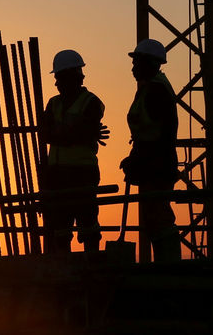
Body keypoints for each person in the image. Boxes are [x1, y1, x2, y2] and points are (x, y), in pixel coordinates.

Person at [40, 49, 108, 253]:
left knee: (87, 221)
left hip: (82, 172)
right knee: (60, 225)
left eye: (60, 78)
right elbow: (46, 135)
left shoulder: (91, 102)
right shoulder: (53, 103)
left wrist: (62, 134)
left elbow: (81, 133)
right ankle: (64, 268)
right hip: (57, 174)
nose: (56, 83)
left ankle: (92, 267)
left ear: (74, 77)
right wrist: (74, 133)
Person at [120, 38, 181, 262]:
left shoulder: (156, 91)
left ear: (151, 63)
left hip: (158, 164)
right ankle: (165, 262)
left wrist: (140, 159)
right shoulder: (149, 88)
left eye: (137, 62)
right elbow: (145, 131)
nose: (133, 67)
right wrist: (135, 157)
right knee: (153, 216)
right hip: (151, 163)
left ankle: (169, 264)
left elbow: (159, 135)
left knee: (159, 214)